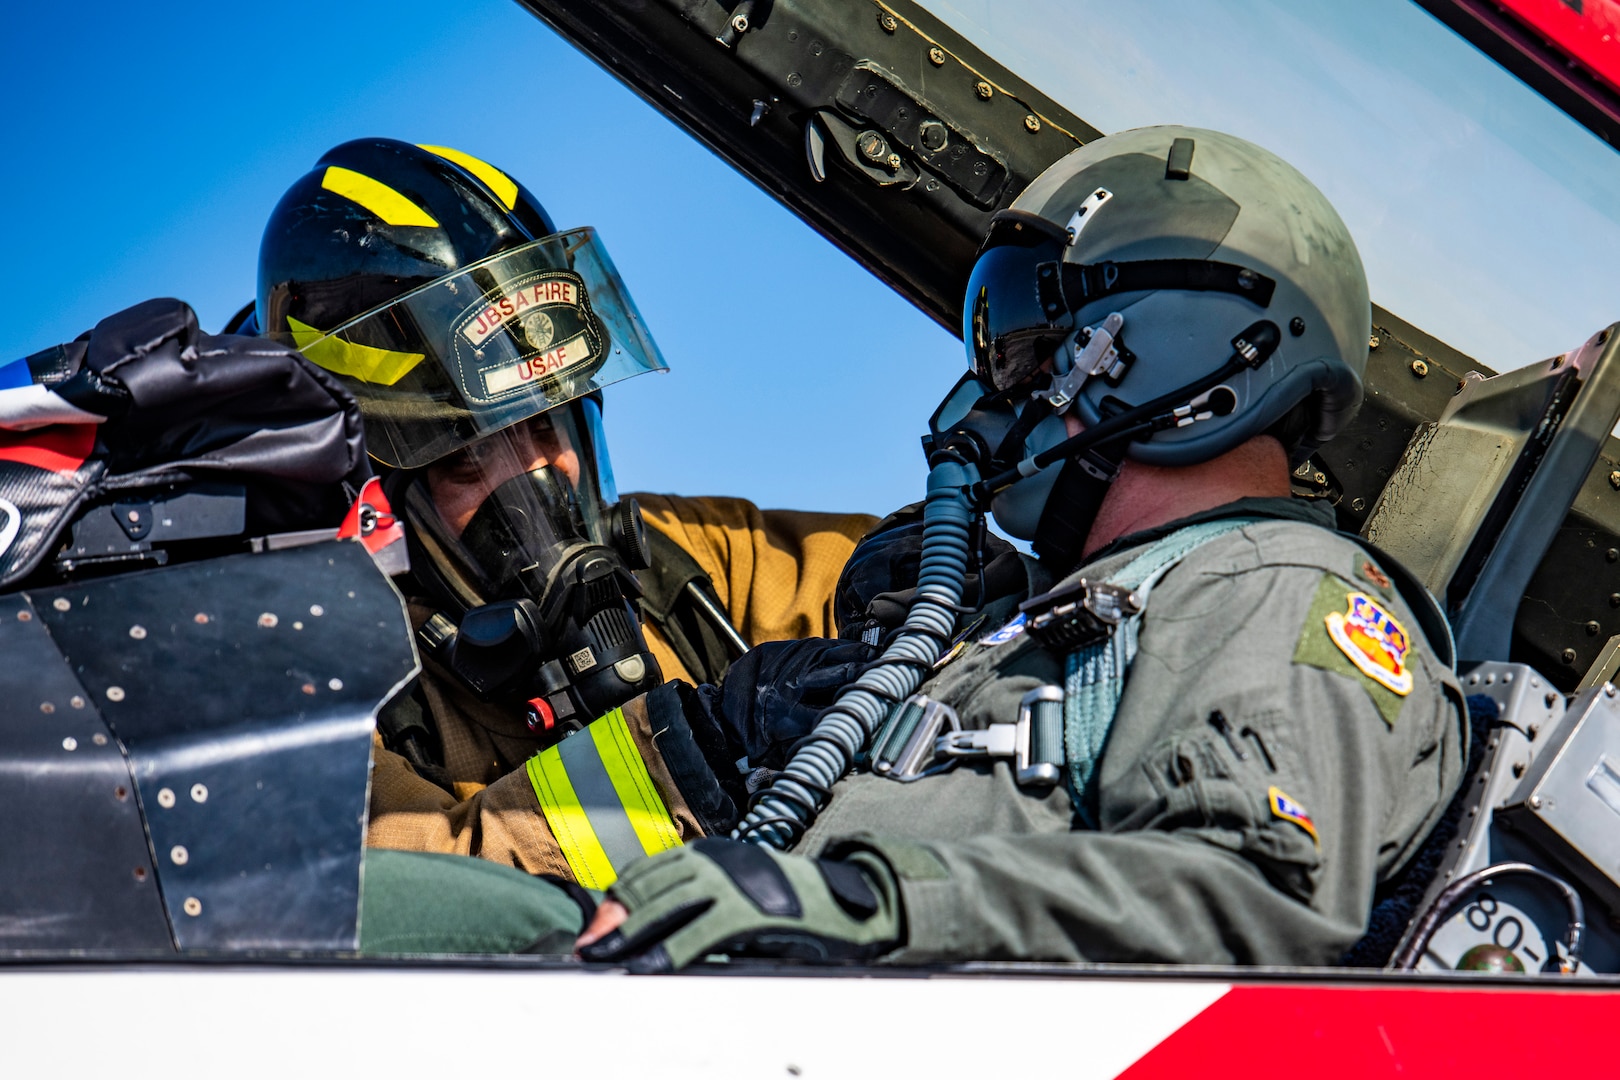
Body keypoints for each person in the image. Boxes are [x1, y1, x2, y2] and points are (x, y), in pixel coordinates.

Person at [571, 126, 1470, 969]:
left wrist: (864, 908)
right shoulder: (1081, 611)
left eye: (1025, 350)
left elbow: (1245, 906)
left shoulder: (1276, 594)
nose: (986, 403)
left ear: (1168, 352)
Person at [251, 138, 877, 872]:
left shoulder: (677, 556)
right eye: (462, 459)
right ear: (383, 496)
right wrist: (682, 754)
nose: (536, 476)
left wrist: (917, 556)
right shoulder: (346, 693)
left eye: (544, 424)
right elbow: (424, 885)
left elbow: (832, 569)